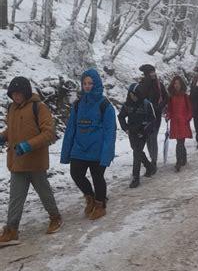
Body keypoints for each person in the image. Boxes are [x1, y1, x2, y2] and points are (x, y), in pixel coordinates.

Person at [0, 77, 62, 247]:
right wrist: (3, 136)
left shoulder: (39, 107)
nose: (16, 96)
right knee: (15, 197)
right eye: (13, 93)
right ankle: (12, 230)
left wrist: (29, 145)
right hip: (17, 162)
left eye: (19, 93)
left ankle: (55, 217)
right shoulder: (12, 108)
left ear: (26, 92)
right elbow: (11, 129)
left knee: (44, 193)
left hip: (35, 162)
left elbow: (49, 132)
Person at [61, 69, 116, 219]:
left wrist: (107, 153)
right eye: (84, 83)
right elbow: (71, 129)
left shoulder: (105, 105)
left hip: (97, 150)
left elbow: (110, 132)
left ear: (96, 83)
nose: (87, 86)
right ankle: (90, 197)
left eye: (90, 83)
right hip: (79, 148)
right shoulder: (78, 105)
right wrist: (66, 152)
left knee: (97, 177)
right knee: (76, 174)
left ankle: (100, 204)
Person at [118, 84, 156, 187]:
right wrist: (125, 128)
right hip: (132, 132)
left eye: (134, 95)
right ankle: (149, 167)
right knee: (136, 150)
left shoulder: (146, 104)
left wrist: (144, 131)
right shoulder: (127, 105)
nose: (132, 97)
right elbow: (121, 116)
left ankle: (135, 178)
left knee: (137, 153)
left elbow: (152, 119)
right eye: (131, 95)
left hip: (142, 132)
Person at [138, 64, 169, 174]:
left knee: (153, 137)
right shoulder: (141, 85)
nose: (153, 74)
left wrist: (159, 107)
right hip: (144, 115)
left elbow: (166, 98)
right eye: (150, 72)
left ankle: (153, 161)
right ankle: (152, 159)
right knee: (148, 138)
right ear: (146, 74)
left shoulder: (159, 85)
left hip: (155, 115)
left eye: (153, 71)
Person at [166, 75, 193, 172]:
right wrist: (168, 115)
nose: (176, 85)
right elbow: (169, 110)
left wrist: (187, 119)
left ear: (182, 85)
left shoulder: (186, 97)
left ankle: (178, 161)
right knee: (179, 142)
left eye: (178, 83)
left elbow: (190, 110)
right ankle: (183, 158)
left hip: (183, 122)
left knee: (180, 142)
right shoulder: (171, 97)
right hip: (174, 122)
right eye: (175, 83)